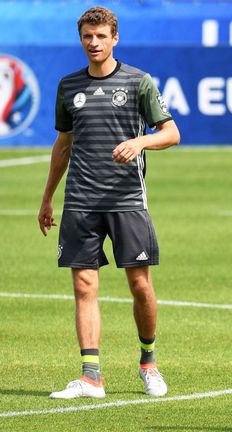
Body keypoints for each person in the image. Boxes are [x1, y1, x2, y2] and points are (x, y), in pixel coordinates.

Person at [37, 6, 180, 399]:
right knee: (84, 286)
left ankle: (148, 362)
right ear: (81, 39)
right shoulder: (68, 87)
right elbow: (63, 145)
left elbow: (171, 133)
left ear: (115, 38)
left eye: (101, 36)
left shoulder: (138, 83)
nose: (94, 43)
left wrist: (141, 141)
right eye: (88, 36)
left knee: (139, 284)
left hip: (127, 200)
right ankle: (91, 376)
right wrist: (47, 197)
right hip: (80, 202)